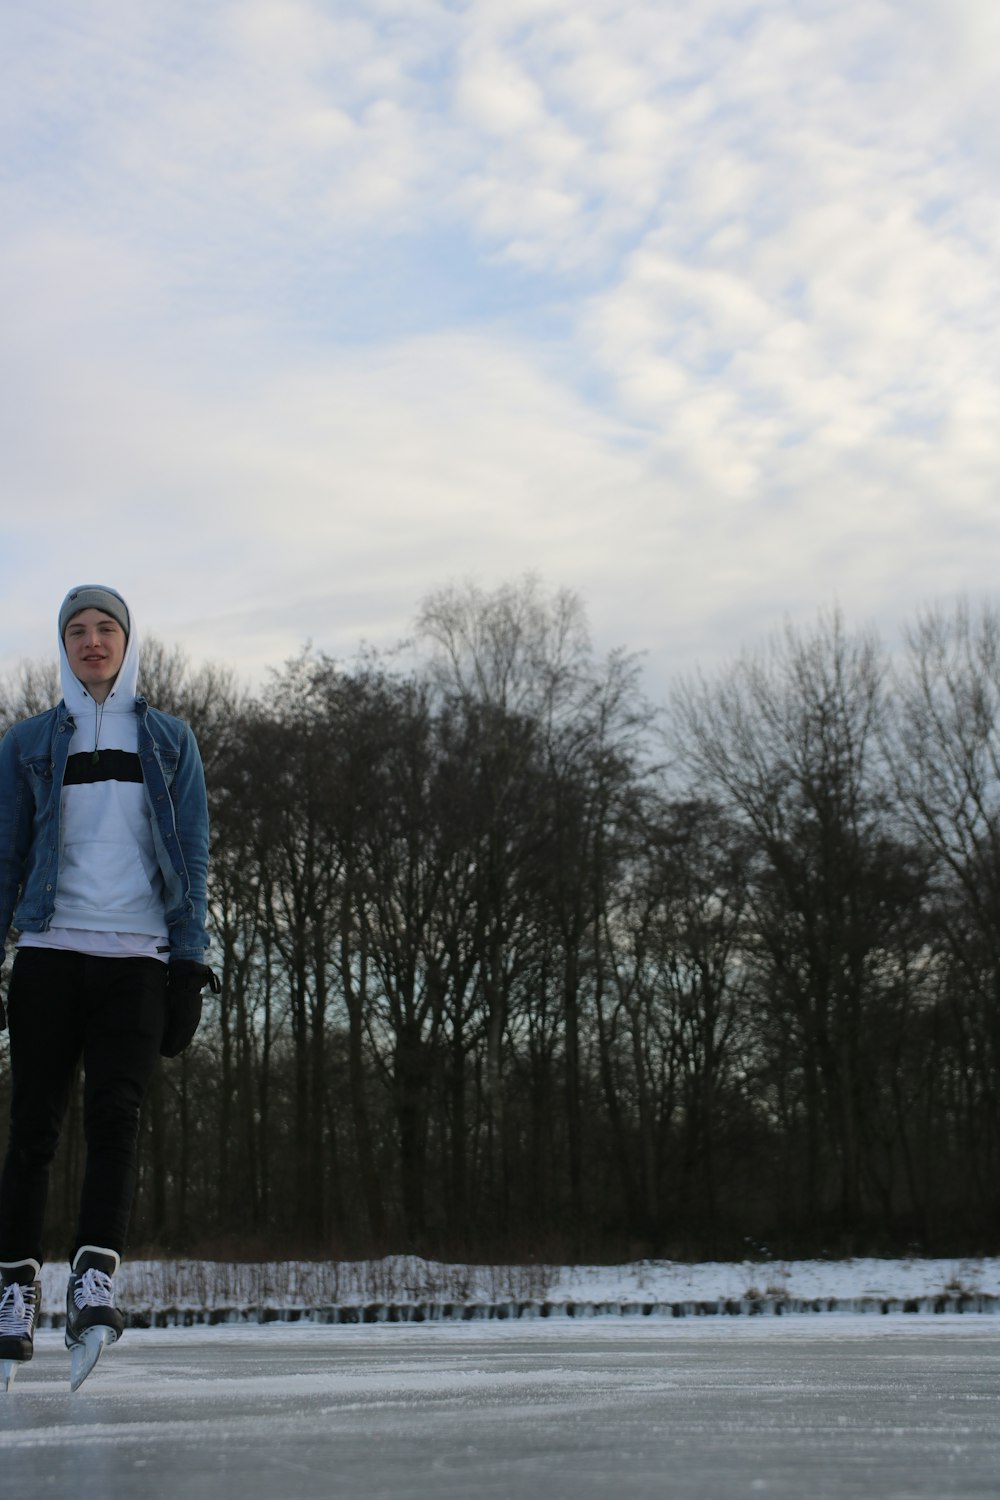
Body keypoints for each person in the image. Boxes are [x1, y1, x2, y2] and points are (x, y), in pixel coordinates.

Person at [0, 585, 217, 1386]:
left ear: (128, 641)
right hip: (51, 950)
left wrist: (191, 961)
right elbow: (5, 854)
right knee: (33, 1126)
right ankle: (15, 1290)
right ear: (63, 645)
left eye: (106, 629)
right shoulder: (25, 742)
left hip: (138, 959)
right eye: (77, 630)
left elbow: (192, 854)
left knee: (117, 1119)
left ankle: (93, 1286)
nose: (92, 642)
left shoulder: (168, 740)